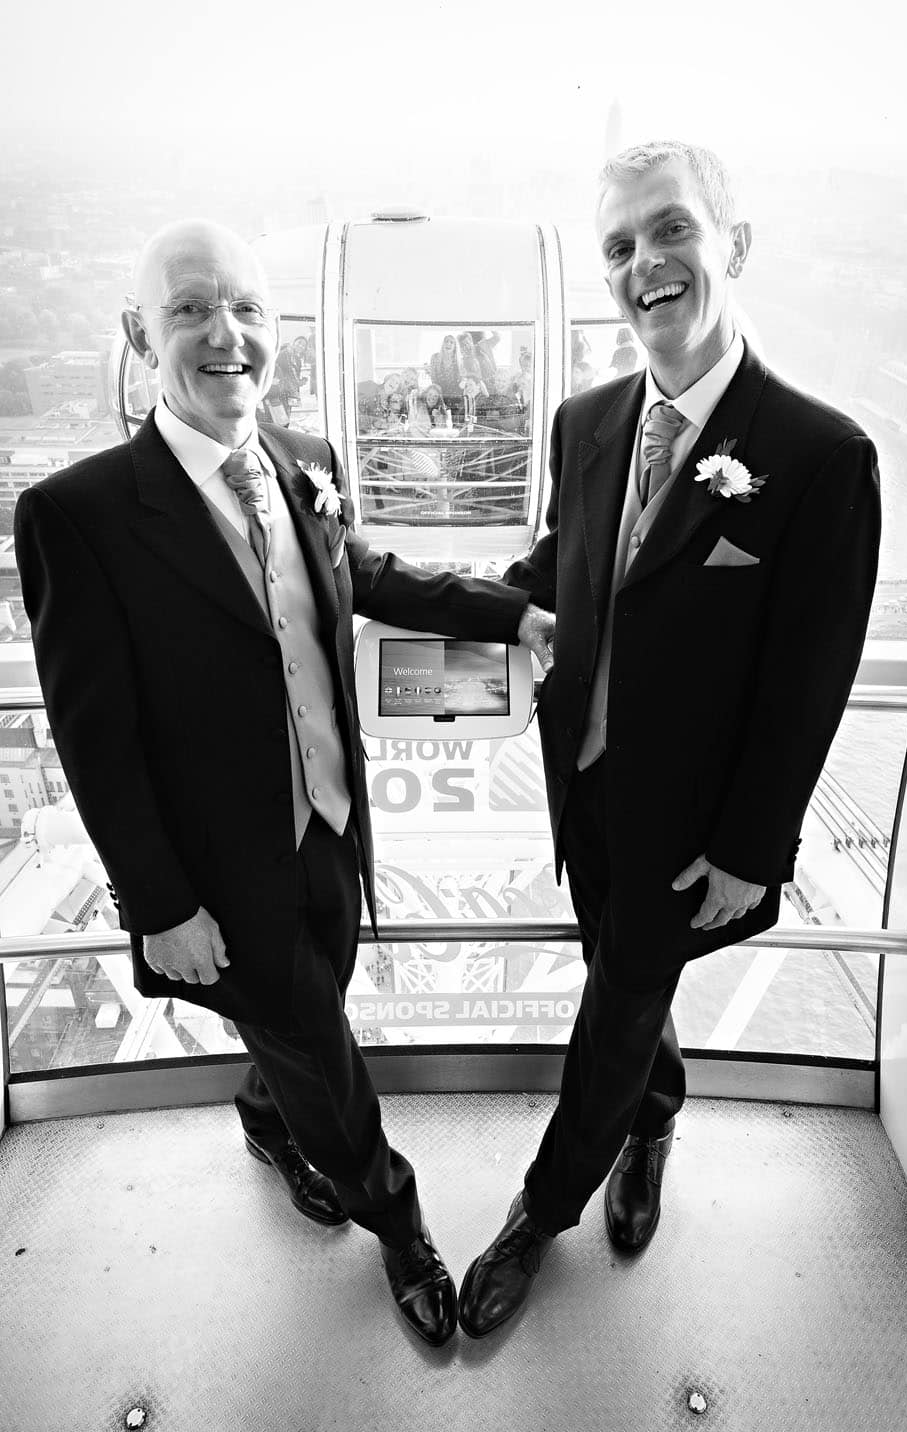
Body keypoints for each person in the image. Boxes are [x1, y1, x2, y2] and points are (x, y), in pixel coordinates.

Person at [14, 219, 555, 1349]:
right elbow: (93, 738)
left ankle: (267, 1123)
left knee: (310, 1022)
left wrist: (516, 613)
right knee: (322, 1053)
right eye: (190, 311)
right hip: (219, 871)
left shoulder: (302, 464)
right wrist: (159, 906)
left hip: (330, 830)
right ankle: (396, 1224)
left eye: (248, 310)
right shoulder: (80, 515)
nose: (227, 337)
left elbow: (367, 577)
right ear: (137, 333)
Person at [458, 140, 881, 1337]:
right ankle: (656, 1116)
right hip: (580, 792)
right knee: (624, 989)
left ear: (731, 244)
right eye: (617, 245)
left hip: (692, 829)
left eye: (670, 229)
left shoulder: (818, 458)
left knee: (612, 1010)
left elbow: (808, 684)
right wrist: (439, 602)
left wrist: (752, 848)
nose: (644, 262)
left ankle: (538, 1214)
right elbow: (560, 572)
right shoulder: (584, 421)